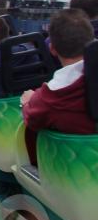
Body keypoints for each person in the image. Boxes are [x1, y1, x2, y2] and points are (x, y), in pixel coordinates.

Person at [20, 9, 95, 166]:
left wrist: (27, 102)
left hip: (76, 171)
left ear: (52, 48)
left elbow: (32, 120)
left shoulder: (51, 95)